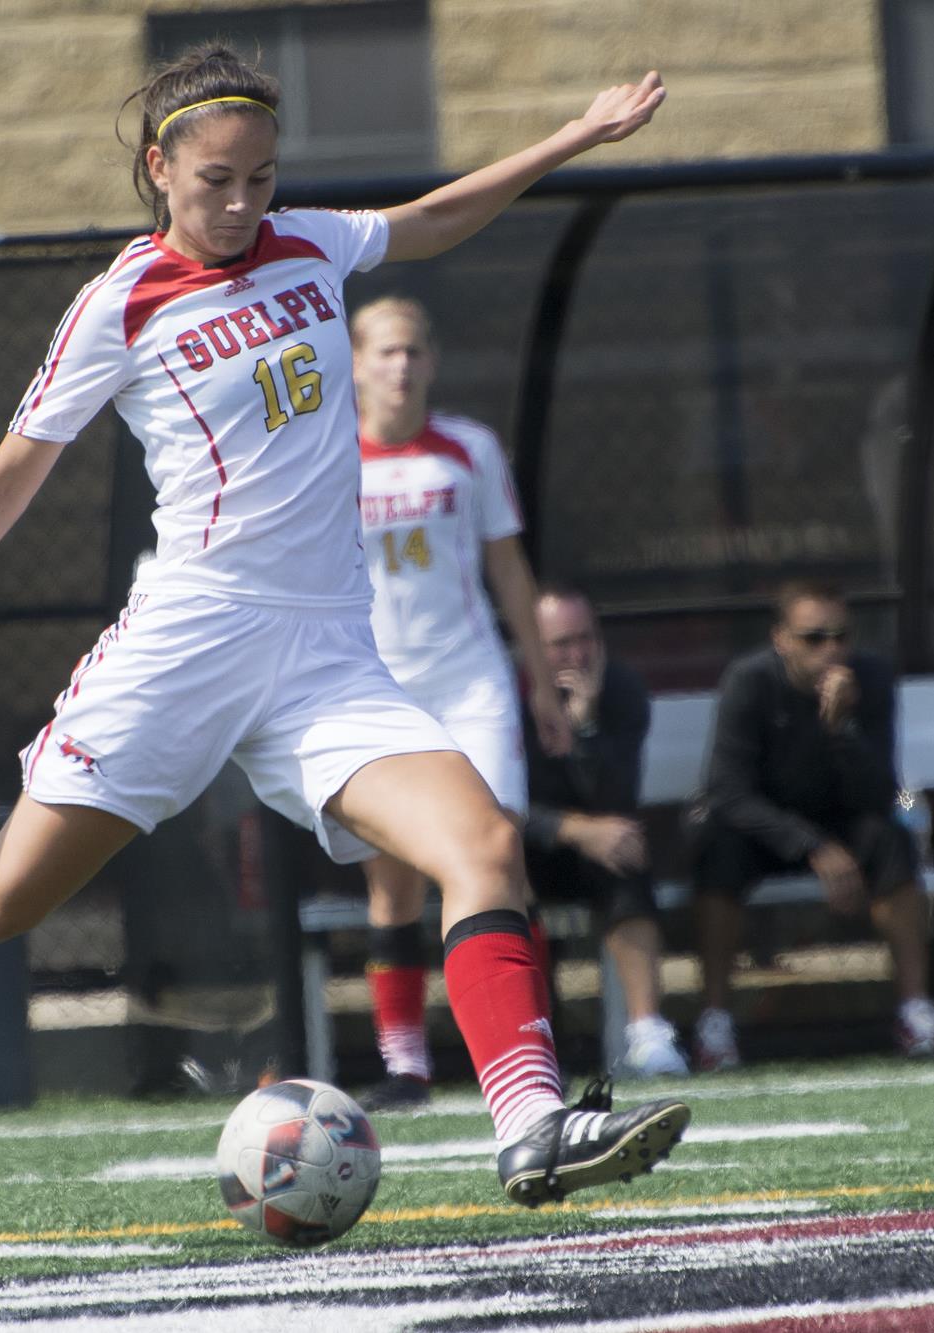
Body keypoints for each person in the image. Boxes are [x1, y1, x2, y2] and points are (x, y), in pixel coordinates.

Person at [0, 46, 685, 1206]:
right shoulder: (119, 302)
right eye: (215, 181)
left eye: (260, 178)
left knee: (481, 843)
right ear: (158, 168)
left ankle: (532, 1125)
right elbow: (7, 482)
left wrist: (574, 134)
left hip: (324, 655)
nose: (242, 204)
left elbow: (434, 219)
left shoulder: (310, 243)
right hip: (187, 646)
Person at [347, 295, 570, 1111]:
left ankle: (532, 1049)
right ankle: (405, 1065)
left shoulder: (470, 448)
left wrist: (541, 681)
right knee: (393, 879)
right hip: (374, 687)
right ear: (355, 363)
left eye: (413, 350)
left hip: (469, 681)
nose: (400, 365)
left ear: (433, 361)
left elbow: (509, 569)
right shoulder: (327, 456)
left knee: (497, 853)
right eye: (384, 351)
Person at [687, 581, 934, 1069]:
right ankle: (714, 1023)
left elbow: (880, 792)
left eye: (841, 636)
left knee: (892, 839)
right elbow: (727, 792)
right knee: (717, 848)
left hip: (843, 821)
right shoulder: (749, 681)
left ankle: (916, 1011)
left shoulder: (871, 678)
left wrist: (842, 727)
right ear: (781, 639)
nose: (831, 650)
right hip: (764, 828)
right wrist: (811, 845)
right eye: (813, 638)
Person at [523, 587, 688, 1077]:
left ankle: (647, 1033)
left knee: (625, 852)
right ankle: (527, 1038)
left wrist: (586, 726)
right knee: (500, 866)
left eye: (586, 639)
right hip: (525, 846)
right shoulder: (502, 694)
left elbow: (616, 798)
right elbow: (496, 806)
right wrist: (572, 829)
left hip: (595, 848)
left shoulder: (621, 689)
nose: (578, 655)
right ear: (531, 646)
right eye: (561, 644)